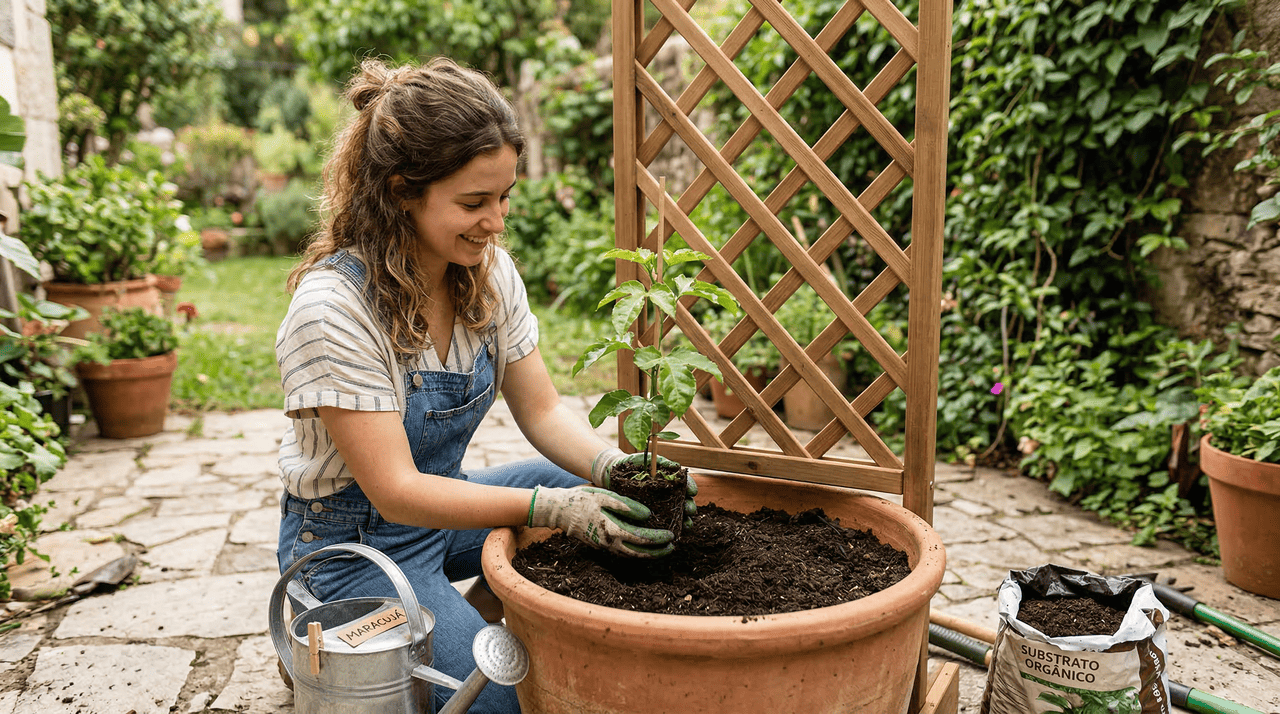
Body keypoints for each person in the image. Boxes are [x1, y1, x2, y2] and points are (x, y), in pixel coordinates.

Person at [273, 57, 694, 714]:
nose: (496, 222)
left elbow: (545, 409)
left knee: (591, 499)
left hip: (438, 516)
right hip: (353, 546)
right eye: (473, 203)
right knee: (503, 699)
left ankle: (454, 633)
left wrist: (616, 469)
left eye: (504, 198)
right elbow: (397, 490)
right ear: (400, 191)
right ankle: (349, 652)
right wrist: (544, 512)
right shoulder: (333, 310)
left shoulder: (487, 273)